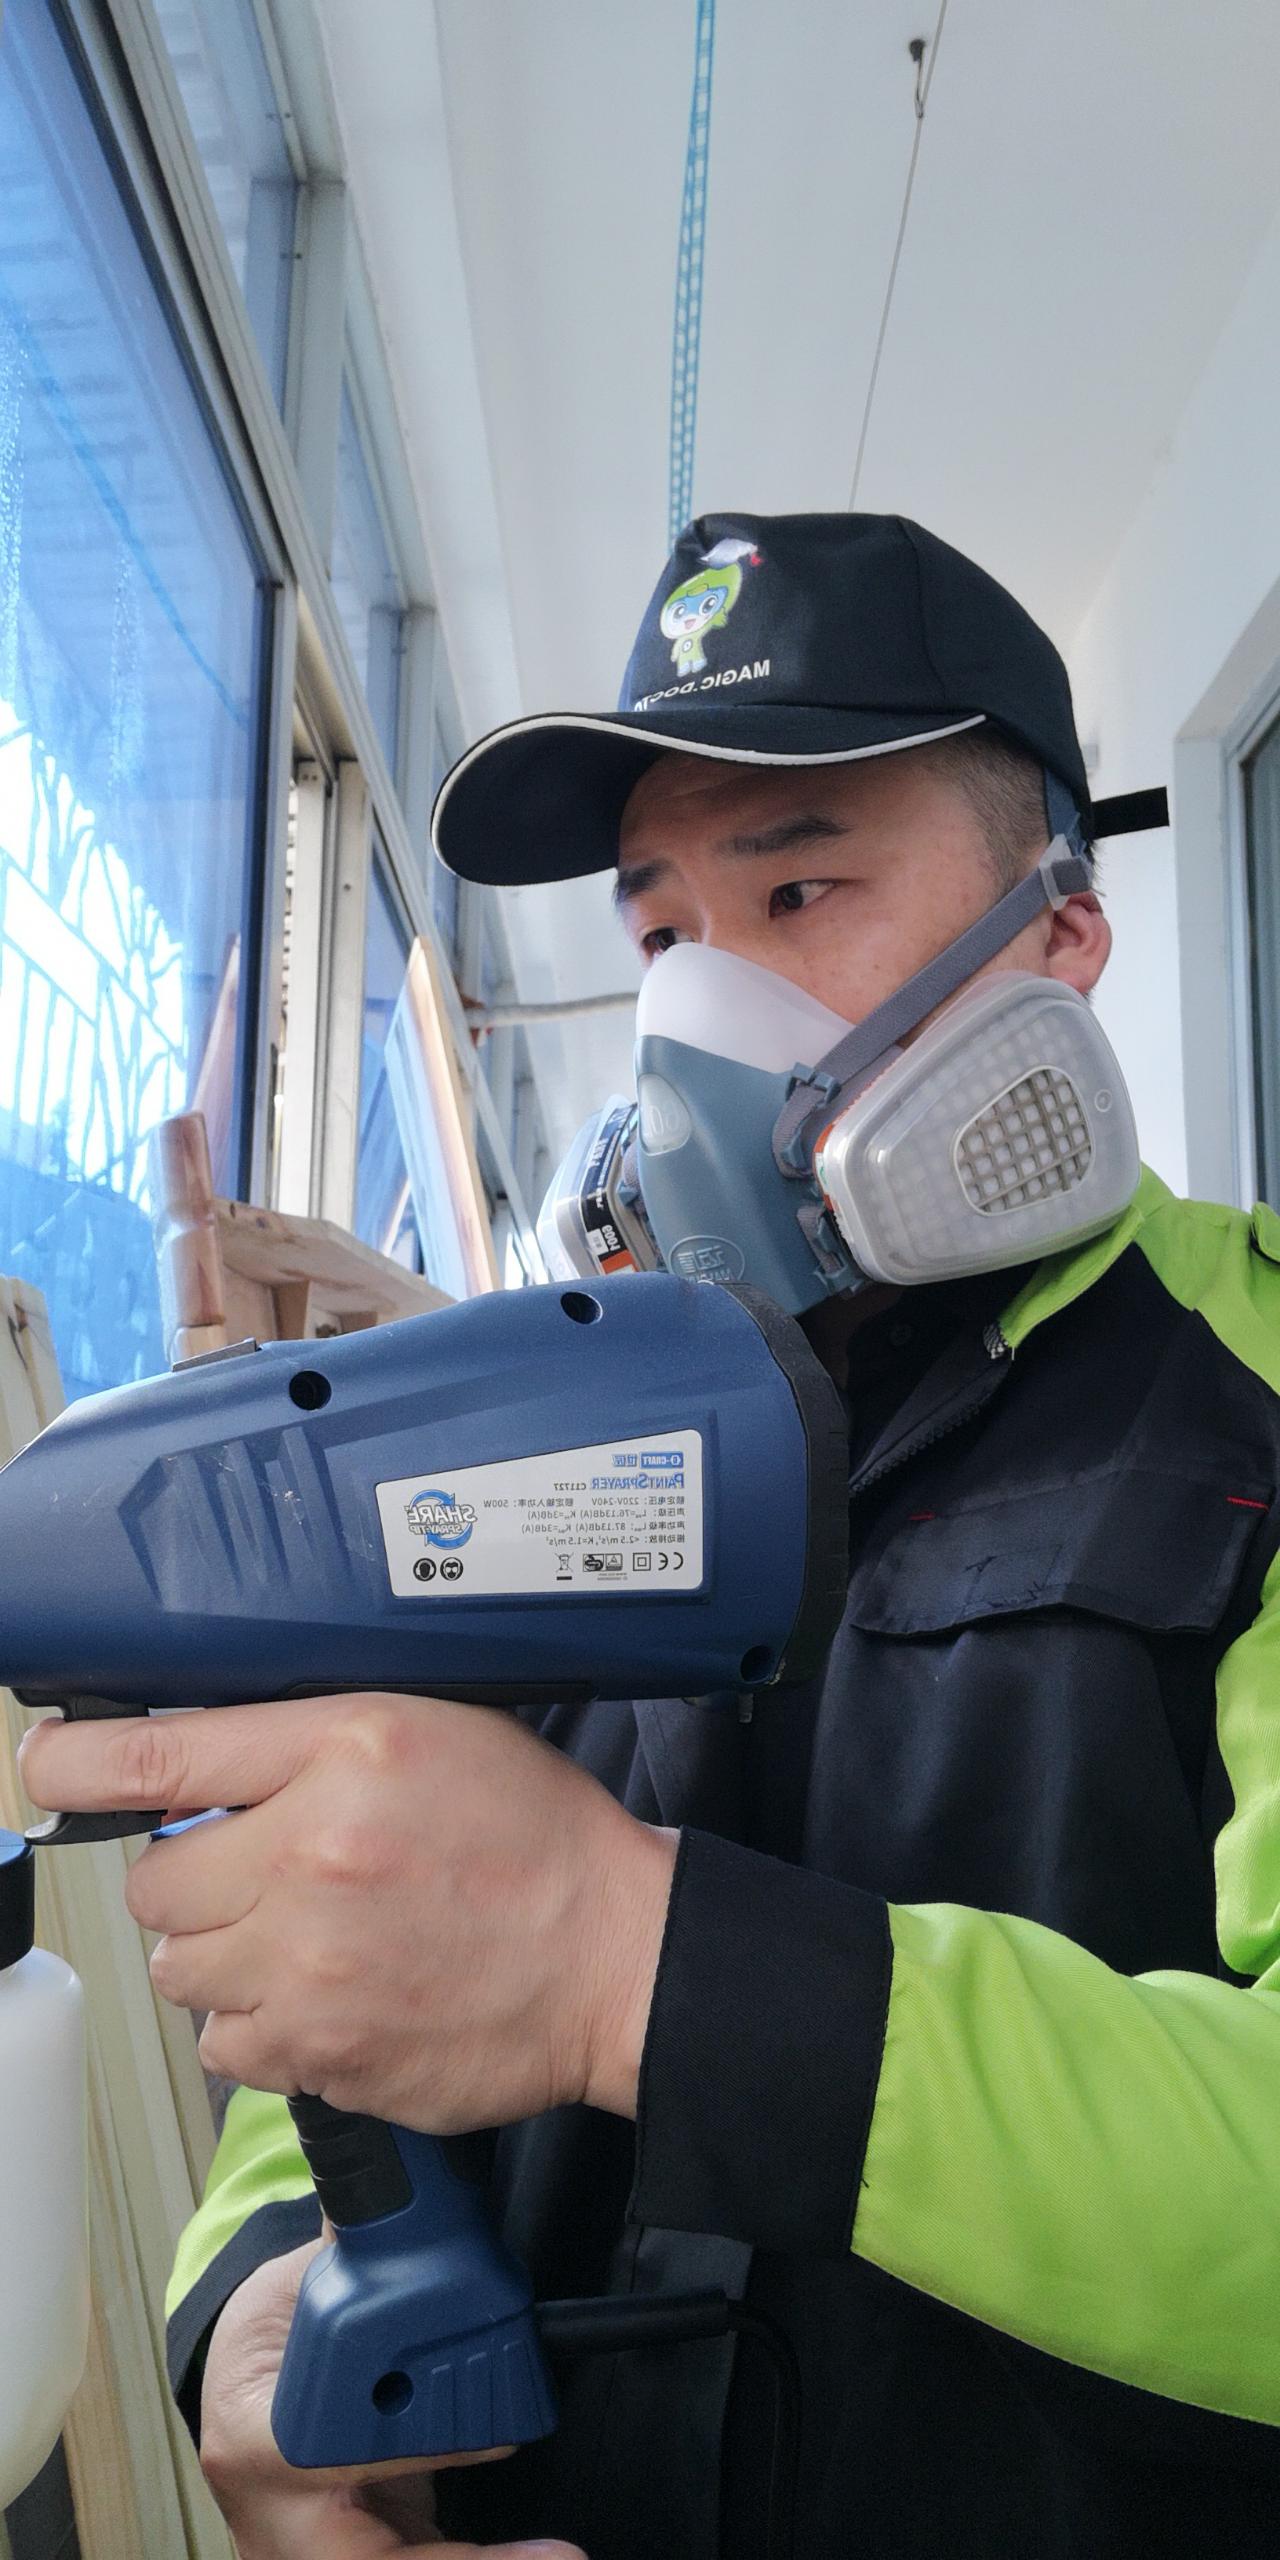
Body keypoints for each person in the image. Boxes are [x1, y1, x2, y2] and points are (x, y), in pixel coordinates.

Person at [21, 511, 1280, 2560]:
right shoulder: (553, 1419)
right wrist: (261, 2303)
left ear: (1061, 933)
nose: (700, 1017)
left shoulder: (1253, 1390)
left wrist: (635, 1965)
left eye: (798, 889)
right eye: (663, 932)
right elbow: (347, 1954)